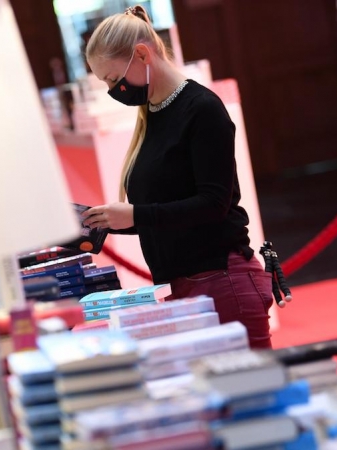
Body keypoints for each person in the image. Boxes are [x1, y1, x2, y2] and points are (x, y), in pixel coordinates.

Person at [80, 6, 273, 349]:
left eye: (112, 78)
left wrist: (135, 215)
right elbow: (169, 207)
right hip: (182, 286)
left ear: (142, 54)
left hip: (220, 281)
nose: (113, 89)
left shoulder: (202, 108)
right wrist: (110, 220)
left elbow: (213, 204)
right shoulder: (152, 113)